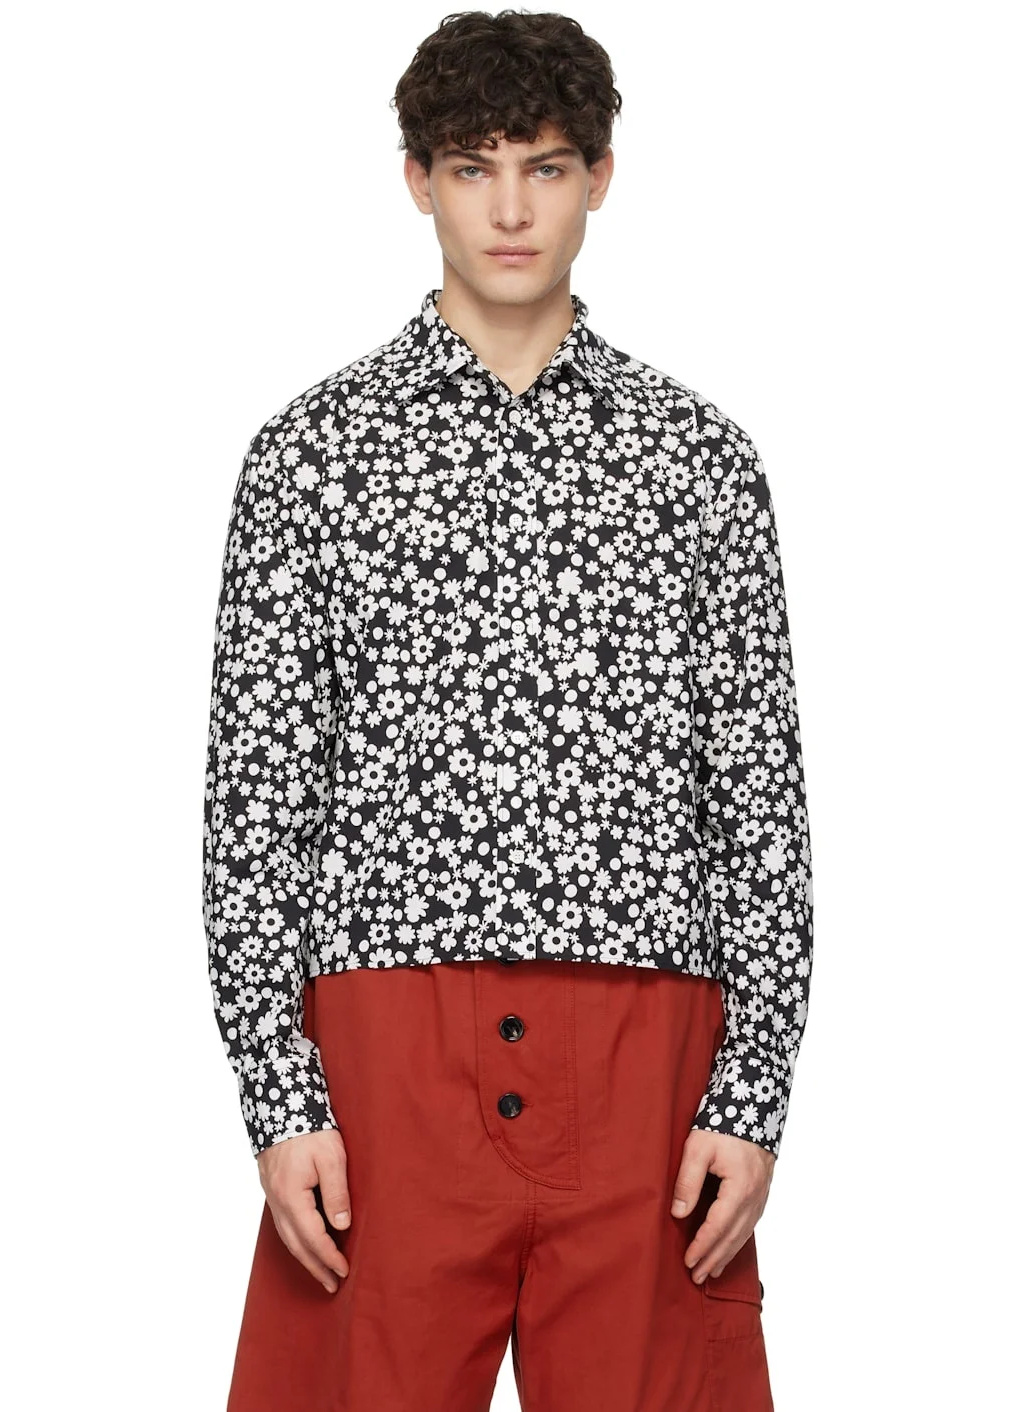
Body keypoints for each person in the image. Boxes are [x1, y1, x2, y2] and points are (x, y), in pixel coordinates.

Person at [202, 10, 813, 1410]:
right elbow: (257, 801)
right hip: (387, 1037)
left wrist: (751, 1093)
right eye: (473, 168)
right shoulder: (312, 455)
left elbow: (758, 797)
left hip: (648, 1035)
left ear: (601, 176)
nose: (512, 209)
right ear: (417, 181)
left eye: (543, 166)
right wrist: (281, 1094)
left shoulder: (700, 461)